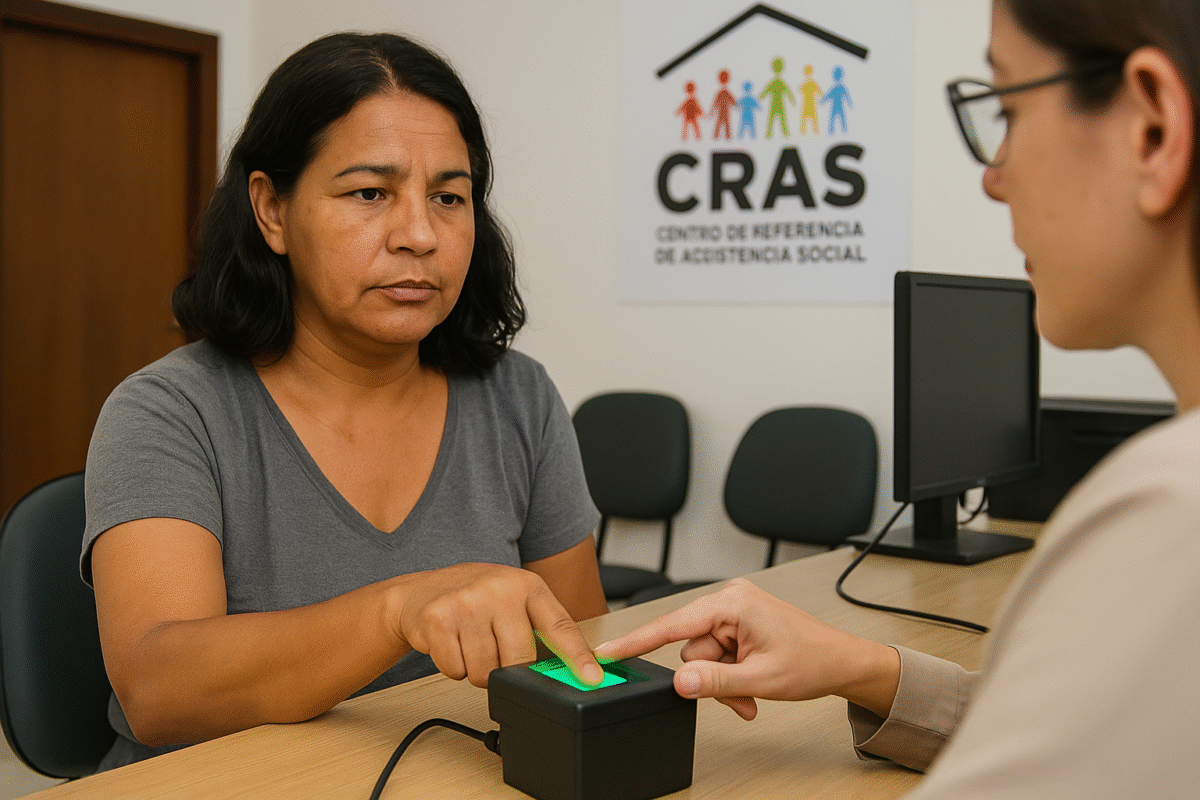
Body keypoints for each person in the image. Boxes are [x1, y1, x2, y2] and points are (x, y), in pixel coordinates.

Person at [596, 0, 1200, 795]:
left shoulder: (1171, 518)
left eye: (1007, 109)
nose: (993, 175)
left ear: (1151, 129)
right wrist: (860, 667)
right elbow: (1065, 738)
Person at [82, 32, 607, 771]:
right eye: (370, 193)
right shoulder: (170, 412)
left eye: (450, 198)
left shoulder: (520, 399)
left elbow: (579, 645)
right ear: (271, 209)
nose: (420, 235)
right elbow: (158, 688)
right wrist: (400, 611)